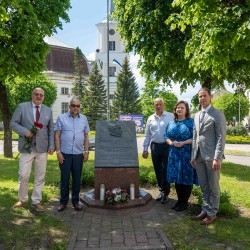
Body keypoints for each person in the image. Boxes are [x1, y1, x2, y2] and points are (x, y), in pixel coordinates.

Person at [11, 87, 54, 212]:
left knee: (40, 175)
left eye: (41, 95)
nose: (39, 96)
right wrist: (25, 131)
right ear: (32, 95)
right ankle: (23, 199)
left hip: (42, 148)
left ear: (43, 97)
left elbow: (50, 130)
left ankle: (36, 200)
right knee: (24, 175)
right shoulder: (22, 107)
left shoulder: (48, 110)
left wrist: (51, 146)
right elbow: (13, 123)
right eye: (36, 94)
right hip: (27, 148)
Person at [191, 87, 226, 225]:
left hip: (212, 157)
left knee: (213, 186)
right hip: (199, 156)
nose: (202, 98)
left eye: (204, 96)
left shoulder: (217, 114)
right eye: (200, 96)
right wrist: (193, 155)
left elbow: (221, 137)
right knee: (204, 186)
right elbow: (195, 137)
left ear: (210, 97)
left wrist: (217, 157)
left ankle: (212, 213)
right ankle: (205, 210)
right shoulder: (197, 115)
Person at [55, 99, 90, 212]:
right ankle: (63, 202)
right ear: (69, 106)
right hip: (64, 154)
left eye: (78, 106)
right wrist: (58, 152)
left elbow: (86, 137)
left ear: (80, 107)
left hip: (78, 154)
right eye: (73, 105)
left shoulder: (84, 119)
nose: (76, 108)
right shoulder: (62, 118)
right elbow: (57, 136)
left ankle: (75, 201)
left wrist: (86, 152)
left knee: (76, 179)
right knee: (64, 179)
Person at [164, 101, 199, 211]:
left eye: (182, 108)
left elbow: (195, 137)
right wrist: (170, 142)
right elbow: (166, 135)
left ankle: (184, 203)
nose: (179, 109)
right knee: (177, 179)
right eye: (178, 108)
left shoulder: (191, 122)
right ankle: (179, 201)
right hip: (174, 154)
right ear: (175, 110)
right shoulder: (171, 122)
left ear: (186, 110)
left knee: (186, 178)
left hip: (186, 154)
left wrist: (183, 143)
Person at [142, 98, 174, 204]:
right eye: (156, 104)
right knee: (157, 170)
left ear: (163, 105)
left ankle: (166, 192)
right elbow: (147, 134)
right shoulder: (150, 118)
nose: (158, 106)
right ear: (154, 106)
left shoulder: (170, 116)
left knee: (165, 169)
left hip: (167, 146)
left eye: (160, 104)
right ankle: (161, 190)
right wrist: (145, 149)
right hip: (155, 147)